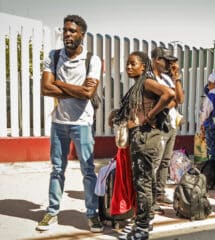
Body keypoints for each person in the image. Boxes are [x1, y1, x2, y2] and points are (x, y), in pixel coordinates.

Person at [36, 15, 103, 233]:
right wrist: (76, 89)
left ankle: (92, 214)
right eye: (65, 30)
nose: (67, 34)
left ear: (82, 34)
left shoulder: (92, 59)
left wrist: (58, 82)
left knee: (88, 170)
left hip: (82, 123)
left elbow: (87, 93)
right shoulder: (53, 56)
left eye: (72, 31)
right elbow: (44, 89)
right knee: (57, 169)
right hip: (59, 123)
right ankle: (52, 211)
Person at [116, 51, 174, 240]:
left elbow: (169, 94)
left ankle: (141, 229)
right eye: (127, 64)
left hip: (146, 137)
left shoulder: (147, 81)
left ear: (143, 66)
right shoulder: (138, 85)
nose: (129, 67)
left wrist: (149, 116)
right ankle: (144, 221)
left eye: (133, 64)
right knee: (144, 183)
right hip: (140, 137)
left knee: (143, 184)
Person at [151, 47, 184, 206]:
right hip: (158, 126)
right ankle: (149, 198)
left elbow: (180, 98)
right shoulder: (150, 79)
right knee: (154, 163)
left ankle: (160, 193)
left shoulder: (167, 78)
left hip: (171, 124)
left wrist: (176, 77)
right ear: (157, 59)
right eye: (166, 60)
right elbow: (163, 102)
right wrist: (170, 101)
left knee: (165, 162)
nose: (169, 64)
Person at [199, 73, 215, 190]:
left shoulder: (211, 96)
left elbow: (205, 113)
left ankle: (209, 179)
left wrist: (202, 125)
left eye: (209, 83)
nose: (208, 85)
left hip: (209, 125)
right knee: (214, 150)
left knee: (209, 152)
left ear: (214, 83)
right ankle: (213, 179)